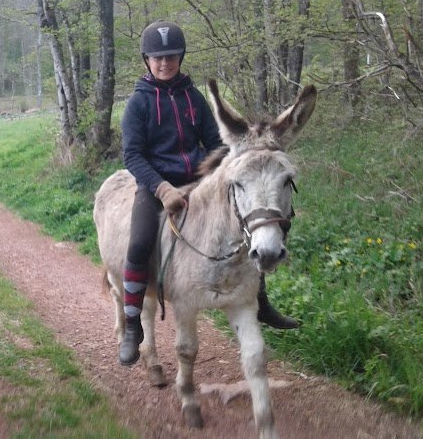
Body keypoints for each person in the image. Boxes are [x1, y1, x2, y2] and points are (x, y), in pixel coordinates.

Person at [118, 21, 298, 366]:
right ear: (146, 60)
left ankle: (260, 300)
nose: (164, 63)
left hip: (199, 183)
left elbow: (217, 143)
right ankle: (131, 324)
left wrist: (227, 170)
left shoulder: (194, 97)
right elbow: (133, 156)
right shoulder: (138, 103)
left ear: (181, 57)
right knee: (139, 243)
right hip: (155, 186)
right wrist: (161, 188)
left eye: (171, 56)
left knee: (246, 226)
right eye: (157, 57)